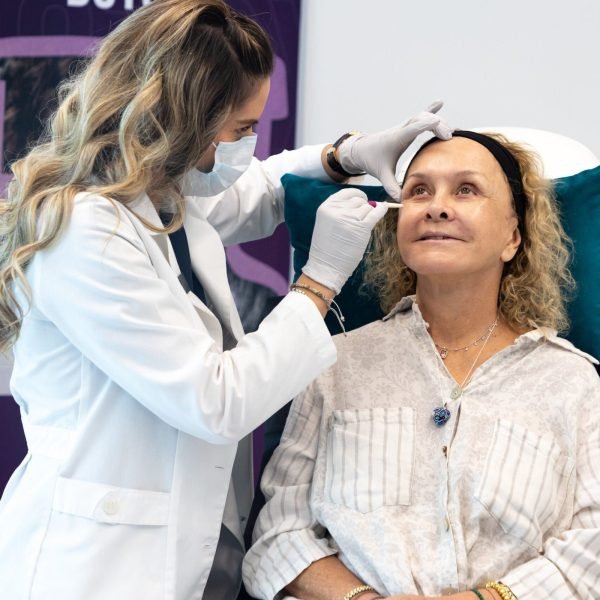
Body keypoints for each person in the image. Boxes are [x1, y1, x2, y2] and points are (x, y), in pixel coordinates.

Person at [0, 1, 453, 598]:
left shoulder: (159, 196)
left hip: (200, 548)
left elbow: (259, 188)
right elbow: (213, 401)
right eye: (240, 129)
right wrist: (317, 283)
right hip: (98, 567)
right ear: (182, 120)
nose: (249, 145)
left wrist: (346, 154)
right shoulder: (87, 232)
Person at [243, 131, 600, 600]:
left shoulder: (571, 382)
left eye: (466, 189)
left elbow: (590, 549)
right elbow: (276, 538)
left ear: (513, 237)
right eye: (418, 191)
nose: (437, 206)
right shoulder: (333, 363)